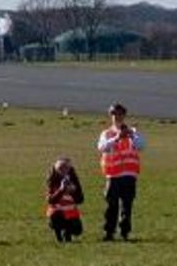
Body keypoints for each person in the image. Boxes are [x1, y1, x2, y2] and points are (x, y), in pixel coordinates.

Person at [95, 103, 144, 241]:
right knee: (111, 206)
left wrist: (130, 135)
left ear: (124, 115)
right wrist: (117, 137)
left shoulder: (132, 131)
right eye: (114, 114)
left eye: (119, 114)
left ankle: (125, 232)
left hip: (129, 174)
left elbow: (141, 146)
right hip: (113, 175)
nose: (117, 117)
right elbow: (102, 147)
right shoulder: (107, 133)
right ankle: (109, 232)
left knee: (127, 206)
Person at [45, 157, 86, 243]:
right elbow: (50, 200)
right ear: (55, 169)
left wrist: (74, 192)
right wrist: (61, 190)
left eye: (66, 168)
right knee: (56, 220)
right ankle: (59, 235)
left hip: (71, 213)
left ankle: (67, 234)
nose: (63, 171)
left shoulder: (73, 180)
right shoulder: (52, 181)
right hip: (56, 214)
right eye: (60, 168)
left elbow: (80, 200)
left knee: (77, 231)